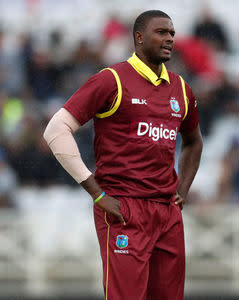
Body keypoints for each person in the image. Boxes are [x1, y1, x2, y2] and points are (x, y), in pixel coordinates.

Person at [43, 10, 203, 300]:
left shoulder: (181, 88)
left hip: (167, 213)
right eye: (162, 32)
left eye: (172, 33)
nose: (169, 39)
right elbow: (56, 130)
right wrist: (96, 192)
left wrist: (183, 189)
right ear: (139, 38)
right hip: (123, 207)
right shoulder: (111, 79)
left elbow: (194, 141)